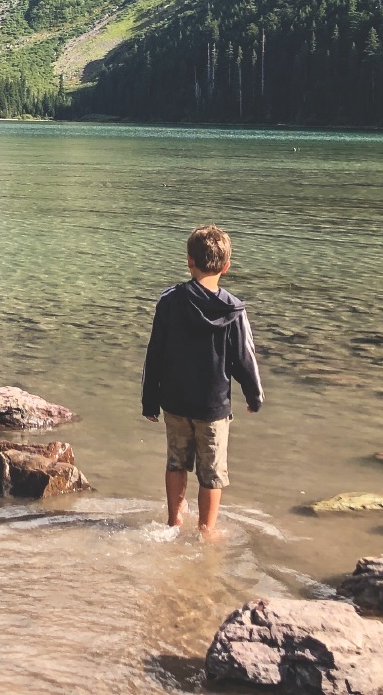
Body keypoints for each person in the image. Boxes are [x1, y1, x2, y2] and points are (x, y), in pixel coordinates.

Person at [141, 224, 263, 537]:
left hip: (175, 401)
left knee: (176, 463)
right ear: (226, 267)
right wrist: (254, 396)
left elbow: (155, 354)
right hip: (213, 407)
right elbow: (244, 359)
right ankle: (206, 531)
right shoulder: (234, 309)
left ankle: (174, 522)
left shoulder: (169, 302)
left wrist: (149, 400)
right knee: (211, 474)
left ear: (189, 261)